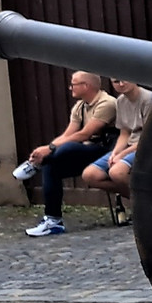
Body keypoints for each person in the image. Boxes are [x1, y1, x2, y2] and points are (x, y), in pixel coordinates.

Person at [19, 71, 117, 237]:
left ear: (86, 86)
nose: (70, 87)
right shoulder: (80, 106)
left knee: (66, 149)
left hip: (107, 150)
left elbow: (84, 134)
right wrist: (47, 149)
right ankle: (53, 220)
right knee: (52, 165)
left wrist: (49, 149)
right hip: (87, 150)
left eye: (74, 84)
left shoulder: (106, 103)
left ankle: (36, 165)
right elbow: (67, 134)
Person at [79, 78, 152, 199]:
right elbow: (124, 132)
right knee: (90, 175)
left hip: (146, 145)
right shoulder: (121, 101)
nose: (122, 84)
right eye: (116, 82)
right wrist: (115, 153)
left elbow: (150, 137)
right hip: (130, 145)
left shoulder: (147, 99)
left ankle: (149, 202)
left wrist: (122, 154)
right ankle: (138, 201)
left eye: (125, 80)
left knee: (117, 172)